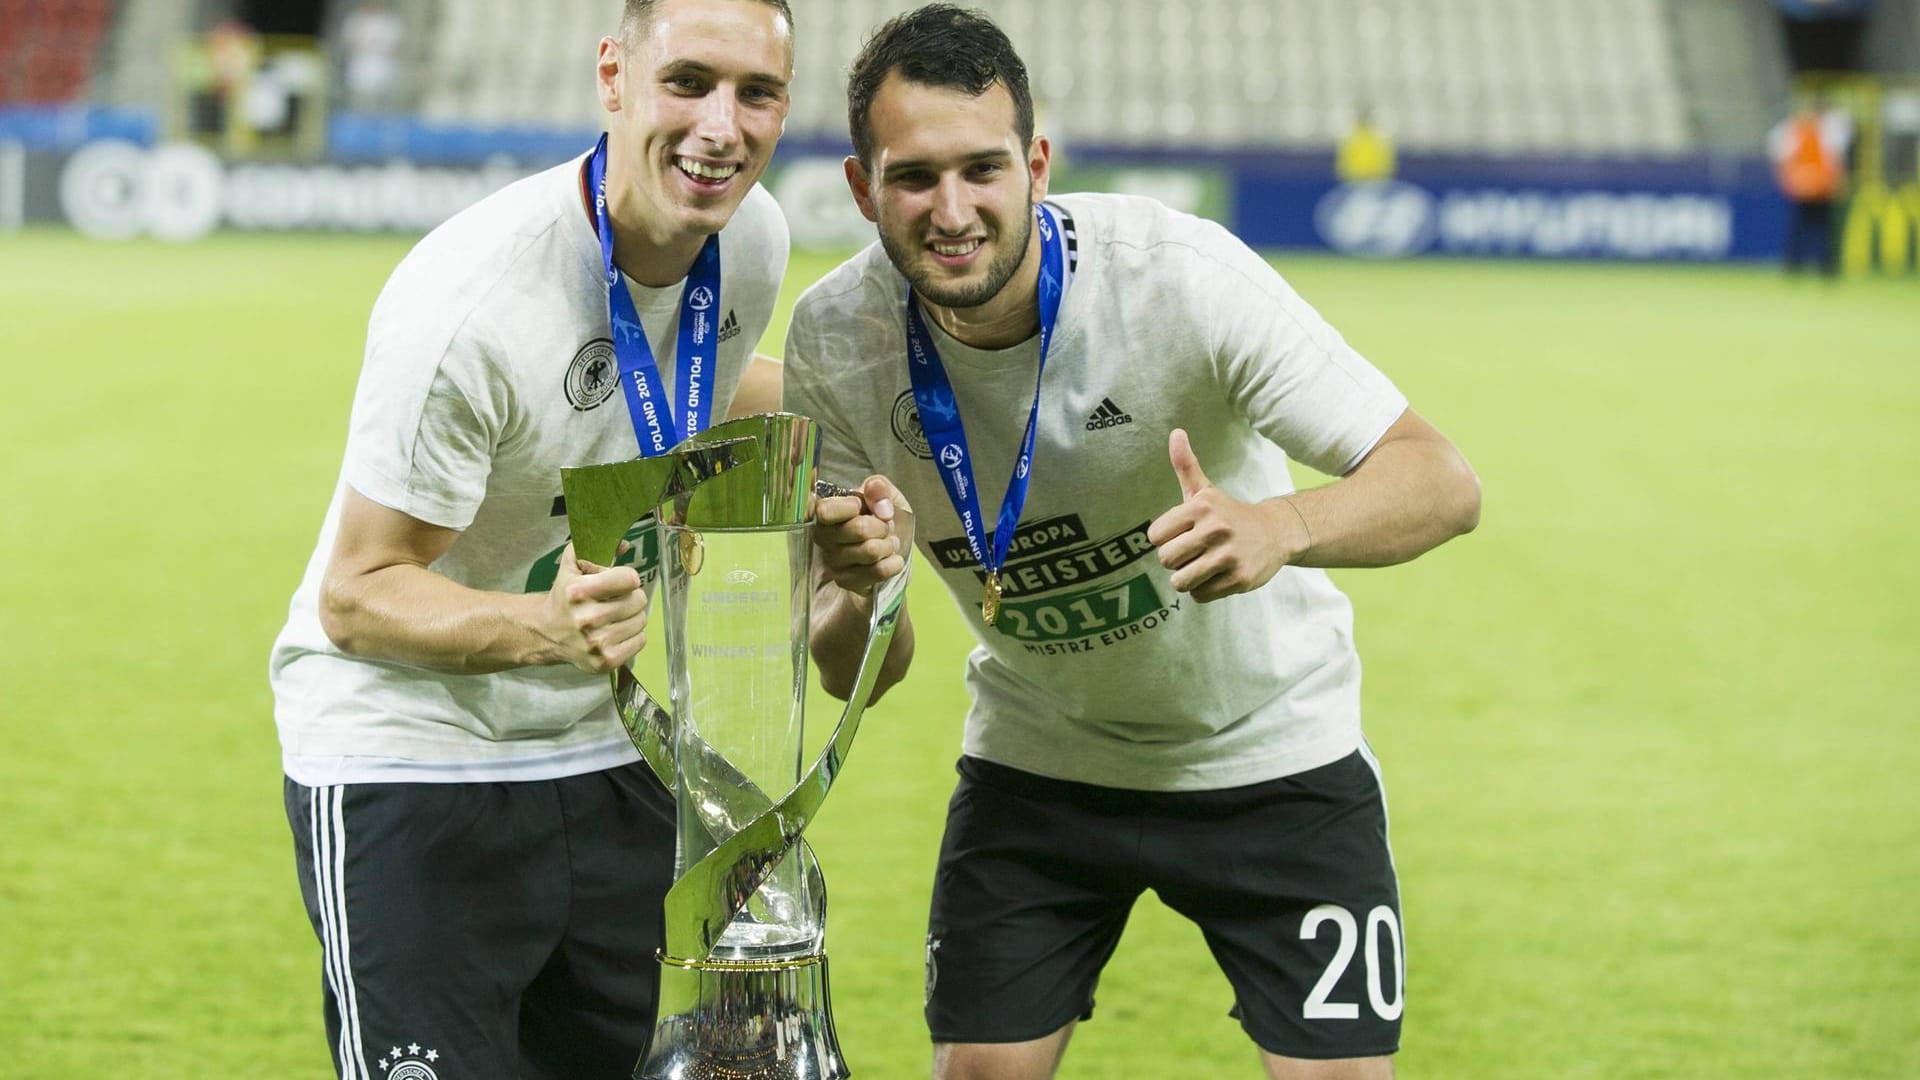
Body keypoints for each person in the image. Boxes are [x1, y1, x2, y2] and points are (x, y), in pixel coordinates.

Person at [783, 7, 1480, 1079]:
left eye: (984, 168)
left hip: (1272, 747)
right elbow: (852, 677)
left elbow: (1440, 478)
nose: (954, 209)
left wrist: (1282, 526)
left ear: (1038, 165)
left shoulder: (1180, 278)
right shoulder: (835, 342)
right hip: (1040, 760)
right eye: (915, 176)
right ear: (862, 187)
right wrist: (857, 592)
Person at [266, 1, 794, 1076]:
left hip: (605, 745)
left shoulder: (753, 239)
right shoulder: (471, 304)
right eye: (688, 81)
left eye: (758, 94)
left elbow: (707, 394)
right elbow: (358, 592)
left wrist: (857, 451)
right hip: (405, 756)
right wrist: (543, 626)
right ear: (614, 76)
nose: (722, 127)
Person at [1768, 94, 1852, 277]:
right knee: (1820, 228)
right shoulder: (1829, 131)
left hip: (1807, 186)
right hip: (1819, 186)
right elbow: (1836, 160)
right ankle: (1823, 268)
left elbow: (1779, 154)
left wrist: (1785, 178)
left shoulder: (1796, 128)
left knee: (1803, 228)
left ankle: (1797, 267)